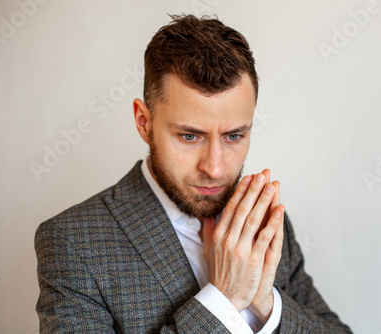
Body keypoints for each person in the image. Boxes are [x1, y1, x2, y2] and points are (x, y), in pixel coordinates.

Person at [35, 14, 352, 334]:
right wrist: (223, 301)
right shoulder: (72, 242)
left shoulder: (263, 224)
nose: (214, 168)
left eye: (234, 136)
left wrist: (266, 306)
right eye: (190, 136)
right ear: (144, 123)